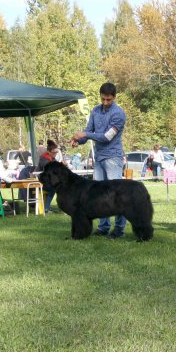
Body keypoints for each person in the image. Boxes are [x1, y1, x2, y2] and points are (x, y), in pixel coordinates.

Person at [71, 82, 127, 238]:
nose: (105, 102)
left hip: (113, 157)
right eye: (103, 99)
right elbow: (89, 131)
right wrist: (78, 140)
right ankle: (103, 227)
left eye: (109, 99)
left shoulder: (119, 114)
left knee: (117, 195)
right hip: (99, 158)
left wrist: (85, 135)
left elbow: (107, 137)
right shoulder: (95, 111)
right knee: (99, 196)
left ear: (114, 97)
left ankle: (119, 229)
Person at [38, 140, 59, 213]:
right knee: (54, 187)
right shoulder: (43, 158)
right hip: (41, 182)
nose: (55, 154)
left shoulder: (52, 158)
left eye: (56, 152)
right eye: (54, 152)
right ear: (49, 152)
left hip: (49, 181)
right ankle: (46, 208)